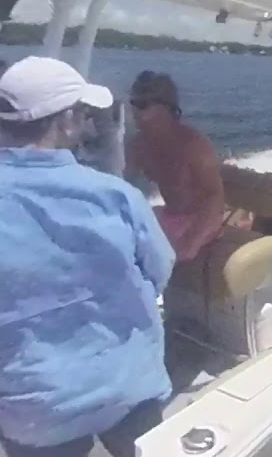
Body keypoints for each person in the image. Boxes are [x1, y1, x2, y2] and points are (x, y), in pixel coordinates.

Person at [0, 56, 175, 457]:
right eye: (82, 113)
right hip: (128, 384)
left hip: (36, 410)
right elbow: (160, 270)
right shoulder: (116, 196)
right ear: (66, 121)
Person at [124, 71, 225, 262]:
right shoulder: (138, 145)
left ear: (165, 108)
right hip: (170, 215)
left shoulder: (194, 146)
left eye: (142, 105)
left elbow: (215, 198)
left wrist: (191, 242)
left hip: (201, 219)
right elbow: (122, 184)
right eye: (133, 104)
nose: (135, 112)